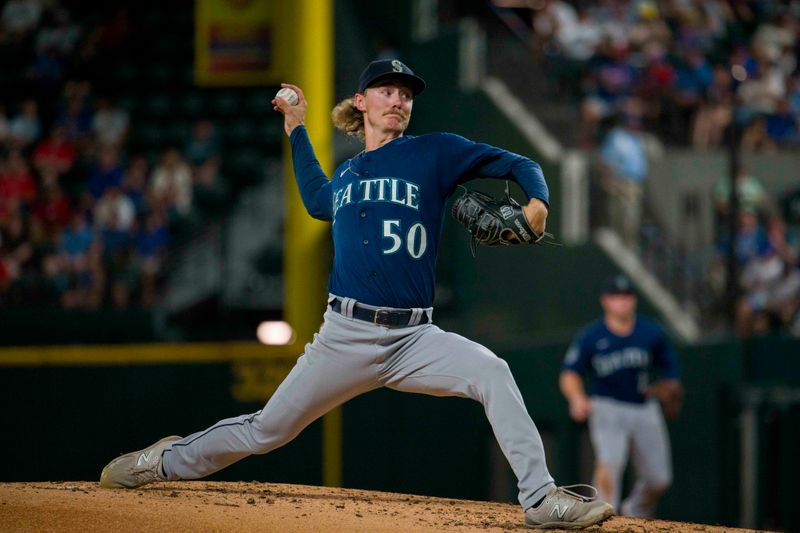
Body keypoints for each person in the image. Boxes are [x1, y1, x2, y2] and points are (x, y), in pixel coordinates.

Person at [99, 59, 613, 529]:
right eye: (386, 90)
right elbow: (316, 200)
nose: (398, 100)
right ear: (361, 102)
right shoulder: (346, 175)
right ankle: (163, 461)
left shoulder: (434, 151)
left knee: (492, 372)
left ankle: (541, 499)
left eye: (406, 94)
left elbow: (521, 164)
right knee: (266, 431)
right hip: (343, 336)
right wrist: (297, 128)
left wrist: (538, 202)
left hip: (415, 337)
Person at [559, 274, 682, 518]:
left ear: (634, 300)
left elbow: (671, 375)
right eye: (617, 297)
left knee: (659, 479)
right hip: (607, 406)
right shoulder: (592, 336)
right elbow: (570, 374)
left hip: (644, 407)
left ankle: (635, 511)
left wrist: (668, 390)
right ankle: (604, 518)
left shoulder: (651, 333)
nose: (623, 302)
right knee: (610, 463)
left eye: (627, 296)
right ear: (605, 301)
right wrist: (576, 398)